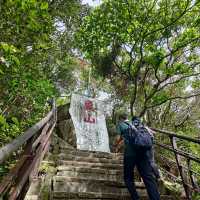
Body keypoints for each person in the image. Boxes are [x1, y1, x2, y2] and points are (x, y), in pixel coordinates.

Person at [114, 113, 160, 200]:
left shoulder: (121, 125)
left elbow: (118, 138)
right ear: (128, 118)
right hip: (143, 154)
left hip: (129, 154)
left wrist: (116, 146)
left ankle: (135, 198)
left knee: (128, 178)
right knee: (148, 177)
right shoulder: (140, 125)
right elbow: (152, 136)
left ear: (120, 119)